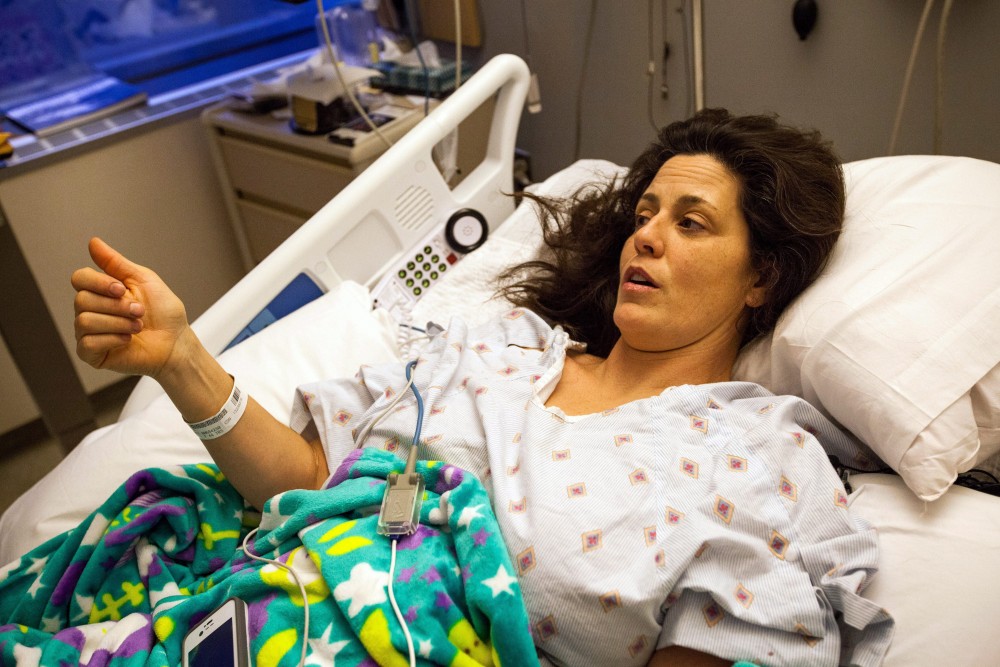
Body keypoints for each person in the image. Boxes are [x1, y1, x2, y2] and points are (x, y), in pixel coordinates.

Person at [72, 109, 893, 666]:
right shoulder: (497, 351)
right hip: (246, 612)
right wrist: (180, 357)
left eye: (690, 221)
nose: (646, 233)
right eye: (644, 211)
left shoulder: (759, 461)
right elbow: (300, 475)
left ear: (763, 278)